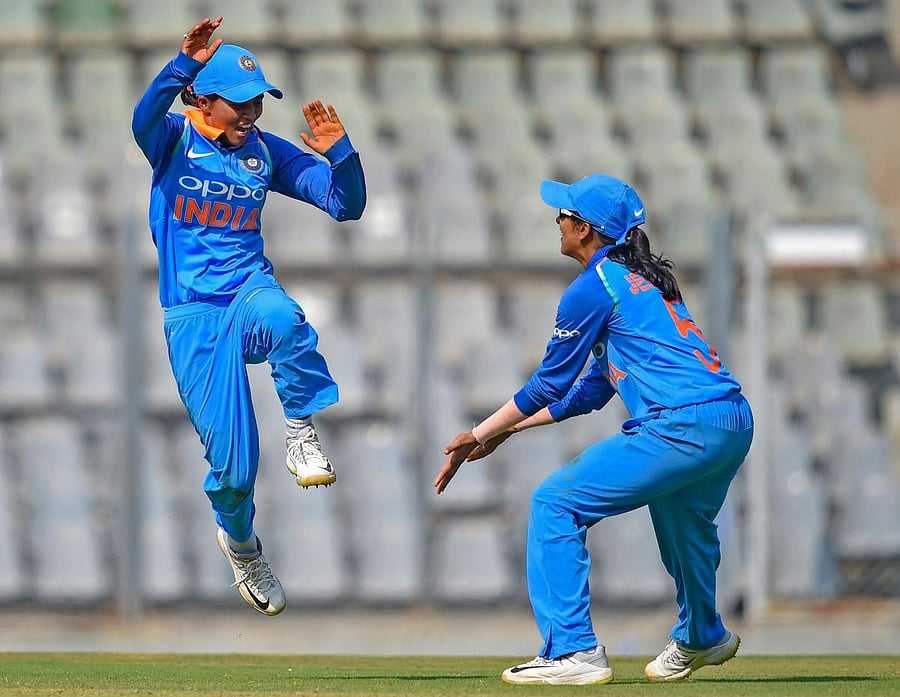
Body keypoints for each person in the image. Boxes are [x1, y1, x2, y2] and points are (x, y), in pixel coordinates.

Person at [435, 174, 753, 685]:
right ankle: (701, 634)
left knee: (555, 503)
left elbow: (549, 382)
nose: (557, 220)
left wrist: (480, 431)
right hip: (730, 419)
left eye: (564, 214)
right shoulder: (638, 279)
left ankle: (573, 651)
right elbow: (591, 390)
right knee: (684, 525)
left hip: (682, 423)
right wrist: (510, 430)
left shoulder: (594, 286)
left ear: (585, 229)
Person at [131, 17, 366, 616]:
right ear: (202, 99)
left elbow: (345, 206)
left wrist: (341, 156)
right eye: (239, 102)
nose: (251, 112)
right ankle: (242, 545)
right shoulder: (174, 138)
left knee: (284, 318)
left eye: (257, 100)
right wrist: (182, 64)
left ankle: (300, 428)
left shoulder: (265, 151)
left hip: (247, 292)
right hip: (193, 315)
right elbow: (142, 119)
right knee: (234, 469)